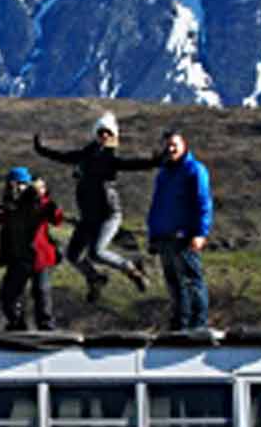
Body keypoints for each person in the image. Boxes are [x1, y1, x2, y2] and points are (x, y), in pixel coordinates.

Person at [33, 112, 155, 300]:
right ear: (96, 134)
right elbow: (63, 156)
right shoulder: (84, 156)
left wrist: (154, 161)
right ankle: (95, 278)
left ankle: (132, 269)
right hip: (88, 216)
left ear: (113, 136)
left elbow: (132, 164)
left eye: (108, 133)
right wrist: (42, 149)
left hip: (108, 214)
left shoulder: (110, 159)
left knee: (96, 252)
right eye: (101, 132)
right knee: (73, 255)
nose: (104, 136)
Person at [0, 166, 64, 331]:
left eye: (20, 184)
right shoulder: (9, 207)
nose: (15, 188)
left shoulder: (38, 203)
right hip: (18, 259)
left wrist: (44, 198)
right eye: (12, 184)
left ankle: (46, 326)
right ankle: (17, 325)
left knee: (41, 292)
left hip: (38, 258)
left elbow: (56, 218)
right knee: (8, 296)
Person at [145, 130, 213, 332]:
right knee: (174, 283)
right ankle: (180, 324)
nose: (171, 149)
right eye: (168, 145)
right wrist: (153, 234)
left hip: (184, 235)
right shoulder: (164, 173)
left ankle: (198, 324)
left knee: (192, 280)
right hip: (164, 236)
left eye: (174, 144)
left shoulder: (194, 170)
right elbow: (157, 204)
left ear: (184, 145)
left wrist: (201, 232)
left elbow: (204, 202)